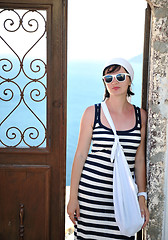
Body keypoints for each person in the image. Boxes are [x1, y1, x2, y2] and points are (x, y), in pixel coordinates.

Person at [67, 58, 149, 239]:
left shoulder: (140, 116)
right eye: (108, 78)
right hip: (91, 195)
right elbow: (80, 156)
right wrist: (73, 197)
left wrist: (141, 196)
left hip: (124, 199)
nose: (114, 82)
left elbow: (140, 159)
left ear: (129, 80)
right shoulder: (92, 113)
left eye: (120, 76)